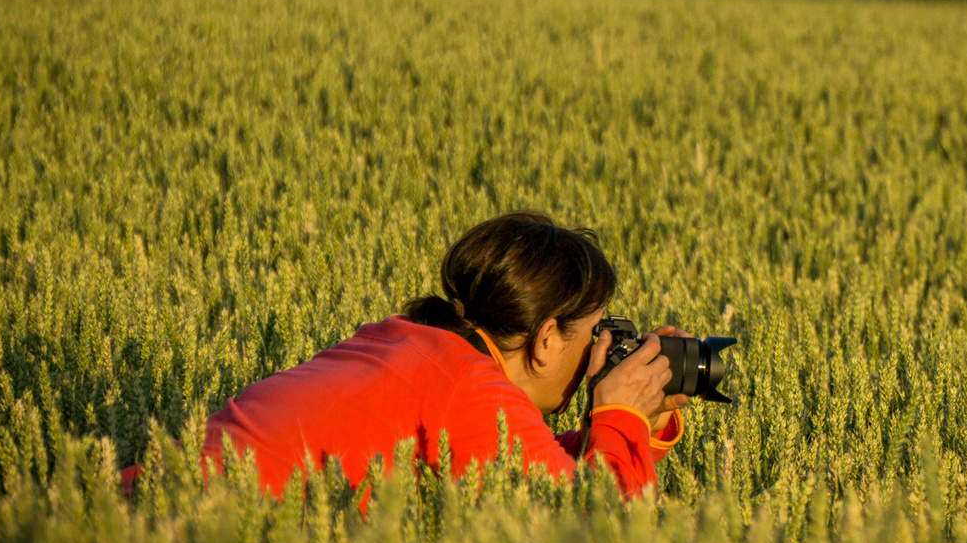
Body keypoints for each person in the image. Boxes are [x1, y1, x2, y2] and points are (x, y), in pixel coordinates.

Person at [185, 211, 691, 500]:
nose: (601, 348)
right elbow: (597, 529)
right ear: (547, 339)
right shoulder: (468, 389)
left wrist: (635, 423)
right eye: (595, 329)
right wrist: (618, 417)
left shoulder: (407, 340)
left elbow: (517, 463)